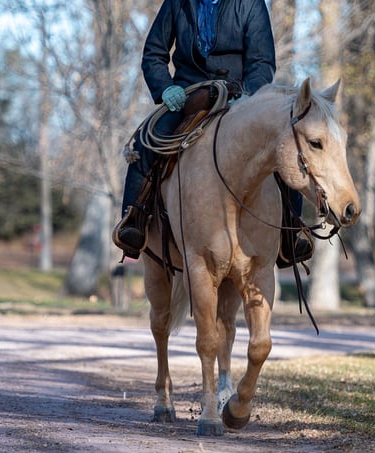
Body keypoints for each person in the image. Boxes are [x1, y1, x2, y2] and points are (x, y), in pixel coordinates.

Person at [113, 0, 313, 268]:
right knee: (147, 140)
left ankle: (291, 234)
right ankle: (133, 222)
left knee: (282, 145)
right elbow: (154, 54)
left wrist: (248, 96)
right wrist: (164, 88)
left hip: (239, 96)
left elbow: (261, 62)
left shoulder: (250, 4)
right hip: (186, 96)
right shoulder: (177, 3)